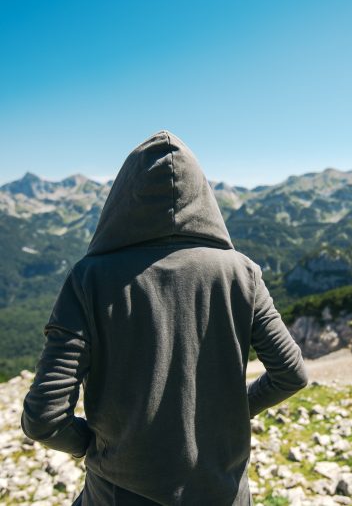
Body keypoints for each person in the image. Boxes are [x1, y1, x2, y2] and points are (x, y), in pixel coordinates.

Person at [20, 130, 309, 505]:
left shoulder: (88, 279)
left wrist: (93, 445)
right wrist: (233, 413)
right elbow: (292, 373)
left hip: (118, 494)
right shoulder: (242, 273)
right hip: (225, 494)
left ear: (122, 196)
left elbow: (43, 417)